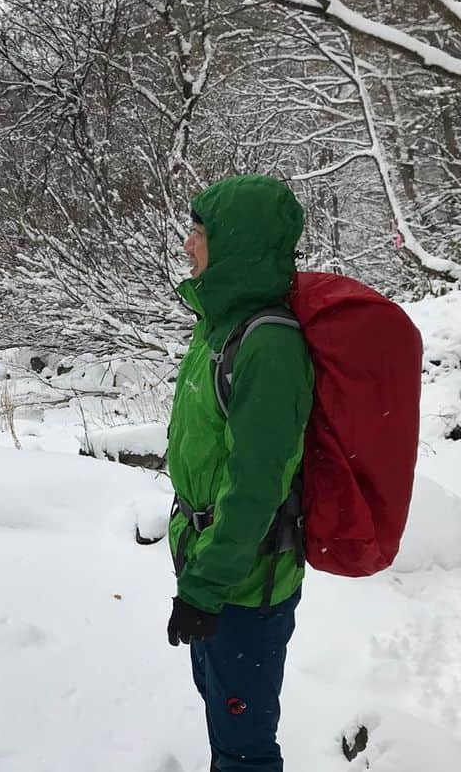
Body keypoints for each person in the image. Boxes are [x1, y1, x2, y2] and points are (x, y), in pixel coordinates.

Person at [164, 174, 314, 772]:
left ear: (237, 244)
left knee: (245, 748)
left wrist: (206, 586)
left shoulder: (267, 346)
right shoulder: (218, 327)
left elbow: (256, 486)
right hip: (213, 570)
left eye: (198, 234)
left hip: (244, 587)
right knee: (224, 724)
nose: (186, 246)